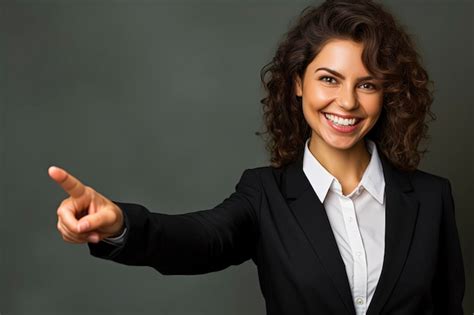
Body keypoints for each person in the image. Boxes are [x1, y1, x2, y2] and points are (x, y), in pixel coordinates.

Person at [48, 0, 465, 314]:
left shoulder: (431, 198)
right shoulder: (264, 194)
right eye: (328, 79)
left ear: (388, 94)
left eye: (368, 84)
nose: (347, 102)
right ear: (298, 83)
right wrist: (121, 224)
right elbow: (198, 239)